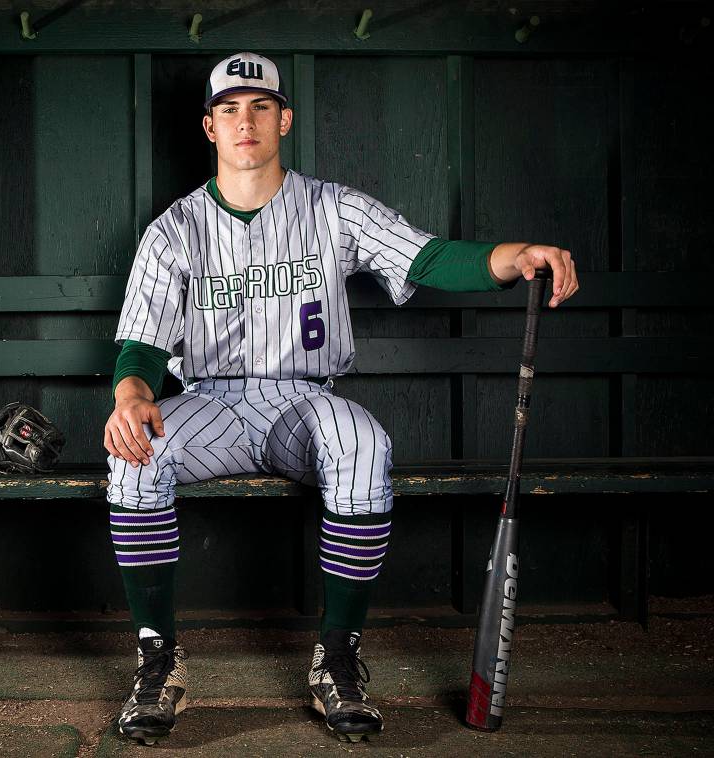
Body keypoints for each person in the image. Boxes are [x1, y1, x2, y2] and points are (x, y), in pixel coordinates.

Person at [102, 52, 579, 745]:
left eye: (260, 107)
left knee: (362, 443)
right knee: (134, 452)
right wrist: (131, 395)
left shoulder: (334, 207)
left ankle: (339, 656)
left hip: (303, 400)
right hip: (212, 404)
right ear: (209, 127)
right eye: (229, 109)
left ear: (284, 118)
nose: (246, 121)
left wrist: (516, 255)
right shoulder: (174, 230)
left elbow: (427, 256)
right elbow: (141, 347)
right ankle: (157, 659)